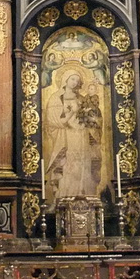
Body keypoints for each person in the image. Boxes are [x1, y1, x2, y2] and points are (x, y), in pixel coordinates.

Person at [45, 72, 102, 200]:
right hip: (67, 137)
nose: (75, 82)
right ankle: (64, 197)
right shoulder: (56, 98)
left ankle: (84, 195)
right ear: (65, 79)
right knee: (68, 165)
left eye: (77, 80)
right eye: (72, 79)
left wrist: (91, 120)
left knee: (83, 165)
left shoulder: (82, 99)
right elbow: (54, 121)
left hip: (81, 136)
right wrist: (72, 113)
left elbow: (92, 118)